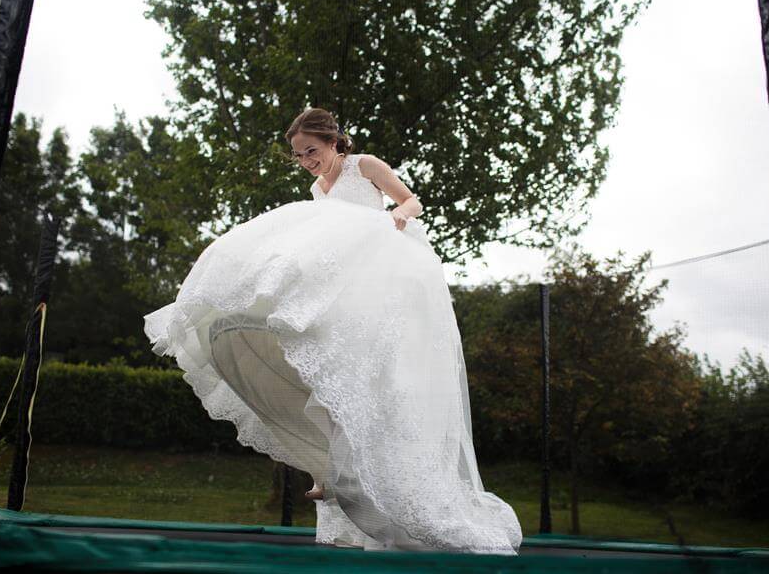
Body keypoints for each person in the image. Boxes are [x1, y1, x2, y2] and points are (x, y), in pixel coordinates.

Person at [143, 107, 523, 554]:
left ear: (333, 142)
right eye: (299, 155)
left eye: (312, 151)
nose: (307, 160)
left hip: (379, 277)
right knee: (326, 371)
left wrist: (399, 216)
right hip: (345, 289)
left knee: (372, 380)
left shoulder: (364, 166)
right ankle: (332, 469)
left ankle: (367, 477)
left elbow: (411, 200)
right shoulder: (316, 189)